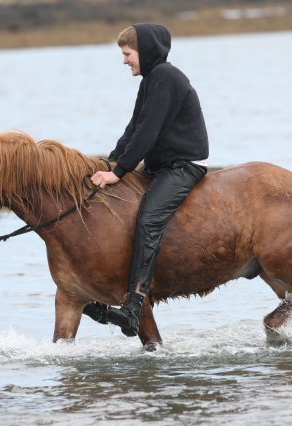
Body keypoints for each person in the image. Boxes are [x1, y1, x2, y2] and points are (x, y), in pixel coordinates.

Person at [88, 23, 209, 337]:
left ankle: (135, 303)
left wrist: (118, 172)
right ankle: (106, 293)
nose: (124, 61)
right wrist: (111, 161)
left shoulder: (165, 78)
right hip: (160, 168)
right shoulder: (151, 80)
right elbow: (133, 129)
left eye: (128, 54)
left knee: (148, 219)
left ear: (145, 50)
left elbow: (148, 133)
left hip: (183, 167)